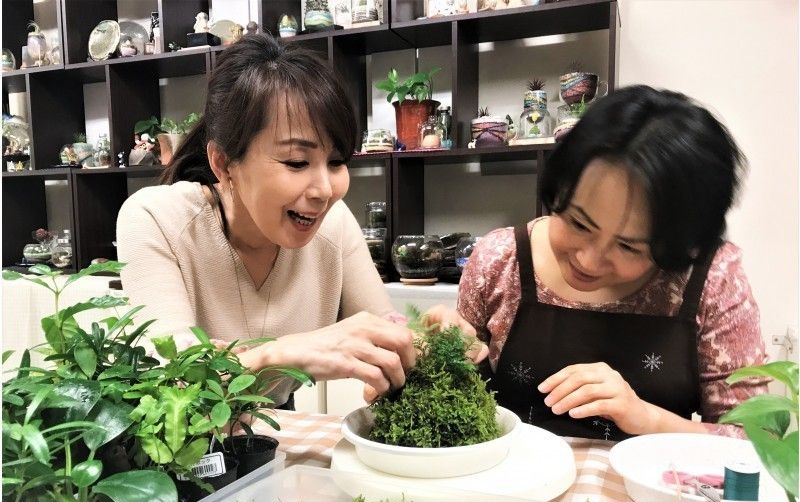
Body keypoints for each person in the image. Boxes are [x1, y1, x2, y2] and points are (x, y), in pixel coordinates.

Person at [116, 34, 479, 408]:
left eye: (336, 162)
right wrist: (280, 355)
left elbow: (382, 335)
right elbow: (167, 390)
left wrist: (431, 340)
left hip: (274, 435)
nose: (324, 189)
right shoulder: (156, 219)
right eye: (296, 162)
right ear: (223, 164)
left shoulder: (334, 223)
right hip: (184, 452)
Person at [451, 85, 767, 440]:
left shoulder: (712, 278)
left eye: (629, 247)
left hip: (651, 491)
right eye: (579, 223)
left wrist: (645, 418)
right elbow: (454, 400)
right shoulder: (501, 259)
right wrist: (435, 353)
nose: (589, 259)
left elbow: (760, 444)